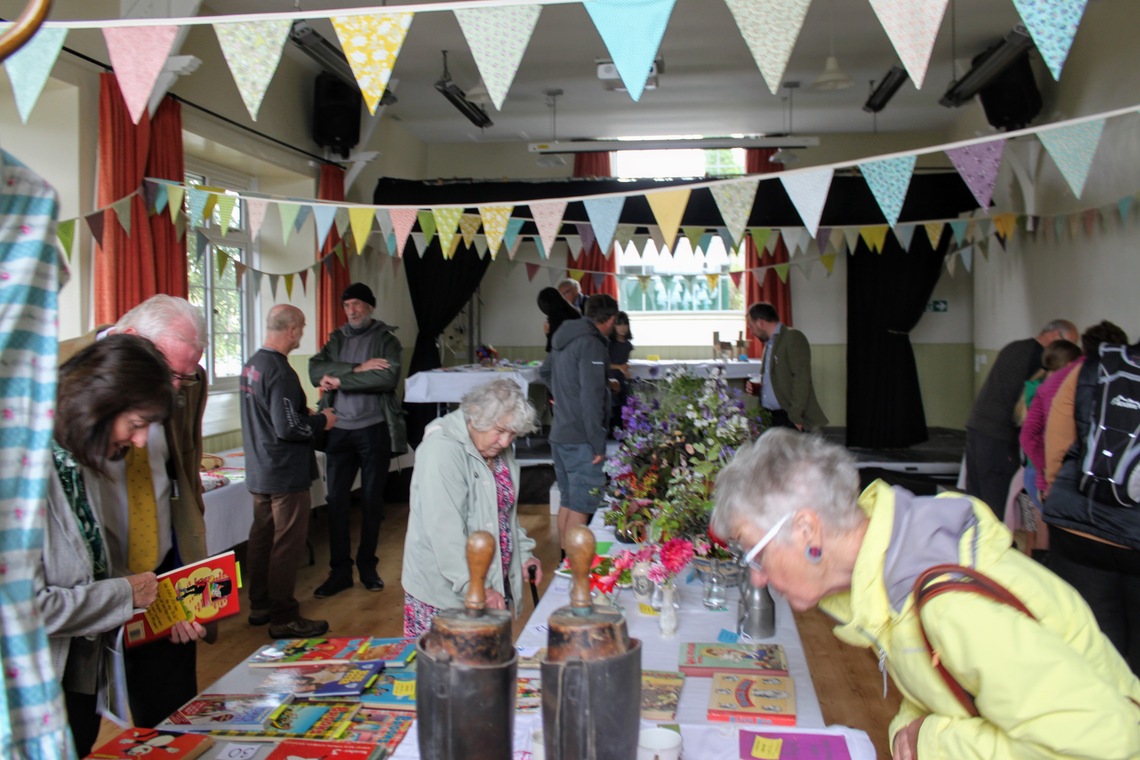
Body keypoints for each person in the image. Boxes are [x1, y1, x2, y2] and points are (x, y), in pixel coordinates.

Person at [711, 429, 1140, 760]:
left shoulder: (954, 606)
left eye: (755, 552)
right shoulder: (895, 574)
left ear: (807, 530)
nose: (759, 576)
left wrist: (931, 740)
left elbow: (1107, 743)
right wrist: (910, 724)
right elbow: (949, 689)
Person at [60, 295, 211, 728]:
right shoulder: (59, 376)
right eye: (169, 373)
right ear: (130, 342)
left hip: (160, 577)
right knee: (79, 727)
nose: (176, 388)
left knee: (172, 715)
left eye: (186, 376)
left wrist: (185, 586)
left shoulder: (186, 380)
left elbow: (182, 483)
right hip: (86, 587)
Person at [37, 335, 179, 754]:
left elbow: (90, 568)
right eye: (135, 424)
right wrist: (123, 593)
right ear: (97, 402)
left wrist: (167, 605)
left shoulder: (78, 460)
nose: (139, 442)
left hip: (77, 678)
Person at [401, 378, 543, 637]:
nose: (505, 441)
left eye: (512, 434)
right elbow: (445, 531)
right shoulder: (442, 450)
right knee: (445, 672)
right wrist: (474, 586)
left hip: (488, 582)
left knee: (485, 669)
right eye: (500, 431)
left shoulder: (497, 449)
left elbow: (503, 511)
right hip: (446, 593)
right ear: (475, 415)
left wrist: (523, 554)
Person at [1042, 335, 1140, 675]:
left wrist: (1061, 492)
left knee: (1090, 651)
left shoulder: (1096, 365)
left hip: (1077, 528)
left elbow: (1056, 439)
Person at [240, 305, 337, 639]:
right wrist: (322, 420)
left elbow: (272, 414)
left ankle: (260, 605)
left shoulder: (253, 363)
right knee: (286, 543)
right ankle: (284, 617)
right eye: (303, 327)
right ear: (293, 330)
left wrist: (298, 411)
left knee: (262, 537)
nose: (302, 334)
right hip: (284, 470)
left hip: (259, 468)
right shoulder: (280, 371)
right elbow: (288, 427)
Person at [309, 282, 407, 598]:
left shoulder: (386, 340)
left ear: (370, 306)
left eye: (358, 304)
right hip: (338, 430)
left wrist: (339, 379)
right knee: (336, 500)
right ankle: (340, 572)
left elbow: (387, 377)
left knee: (371, 501)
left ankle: (367, 566)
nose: (352, 310)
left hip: (374, 429)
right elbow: (314, 370)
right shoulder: (336, 339)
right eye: (347, 304)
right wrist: (356, 368)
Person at [964, 319, 1078, 520]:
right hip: (1001, 438)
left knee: (978, 499)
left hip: (978, 427)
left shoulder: (1014, 346)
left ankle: (978, 543)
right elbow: (1030, 418)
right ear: (1054, 337)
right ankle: (1003, 546)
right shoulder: (1040, 369)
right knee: (998, 503)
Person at [540, 293, 618, 549]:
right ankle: (575, 571)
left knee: (568, 501)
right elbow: (592, 396)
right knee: (581, 507)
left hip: (559, 433)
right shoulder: (592, 344)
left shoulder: (563, 336)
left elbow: (546, 371)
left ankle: (565, 570)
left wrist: (563, 396)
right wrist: (598, 444)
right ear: (610, 319)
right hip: (581, 437)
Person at [744, 302, 828, 432]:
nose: (751, 332)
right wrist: (758, 388)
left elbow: (801, 379)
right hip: (769, 416)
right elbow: (775, 378)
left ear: (760, 322)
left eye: (751, 326)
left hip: (788, 416)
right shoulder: (769, 344)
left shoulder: (793, 337)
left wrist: (796, 416)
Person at [608, 311, 634, 431]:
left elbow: (624, 363)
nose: (622, 328)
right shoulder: (609, 343)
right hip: (611, 378)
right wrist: (619, 367)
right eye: (619, 324)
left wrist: (625, 369)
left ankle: (623, 431)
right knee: (614, 407)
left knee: (624, 405)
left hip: (622, 379)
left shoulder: (628, 345)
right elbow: (605, 364)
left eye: (625, 324)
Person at [537, 286, 581, 353]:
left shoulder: (555, 316)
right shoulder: (573, 311)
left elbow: (551, 347)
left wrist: (547, 333)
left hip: (567, 356)